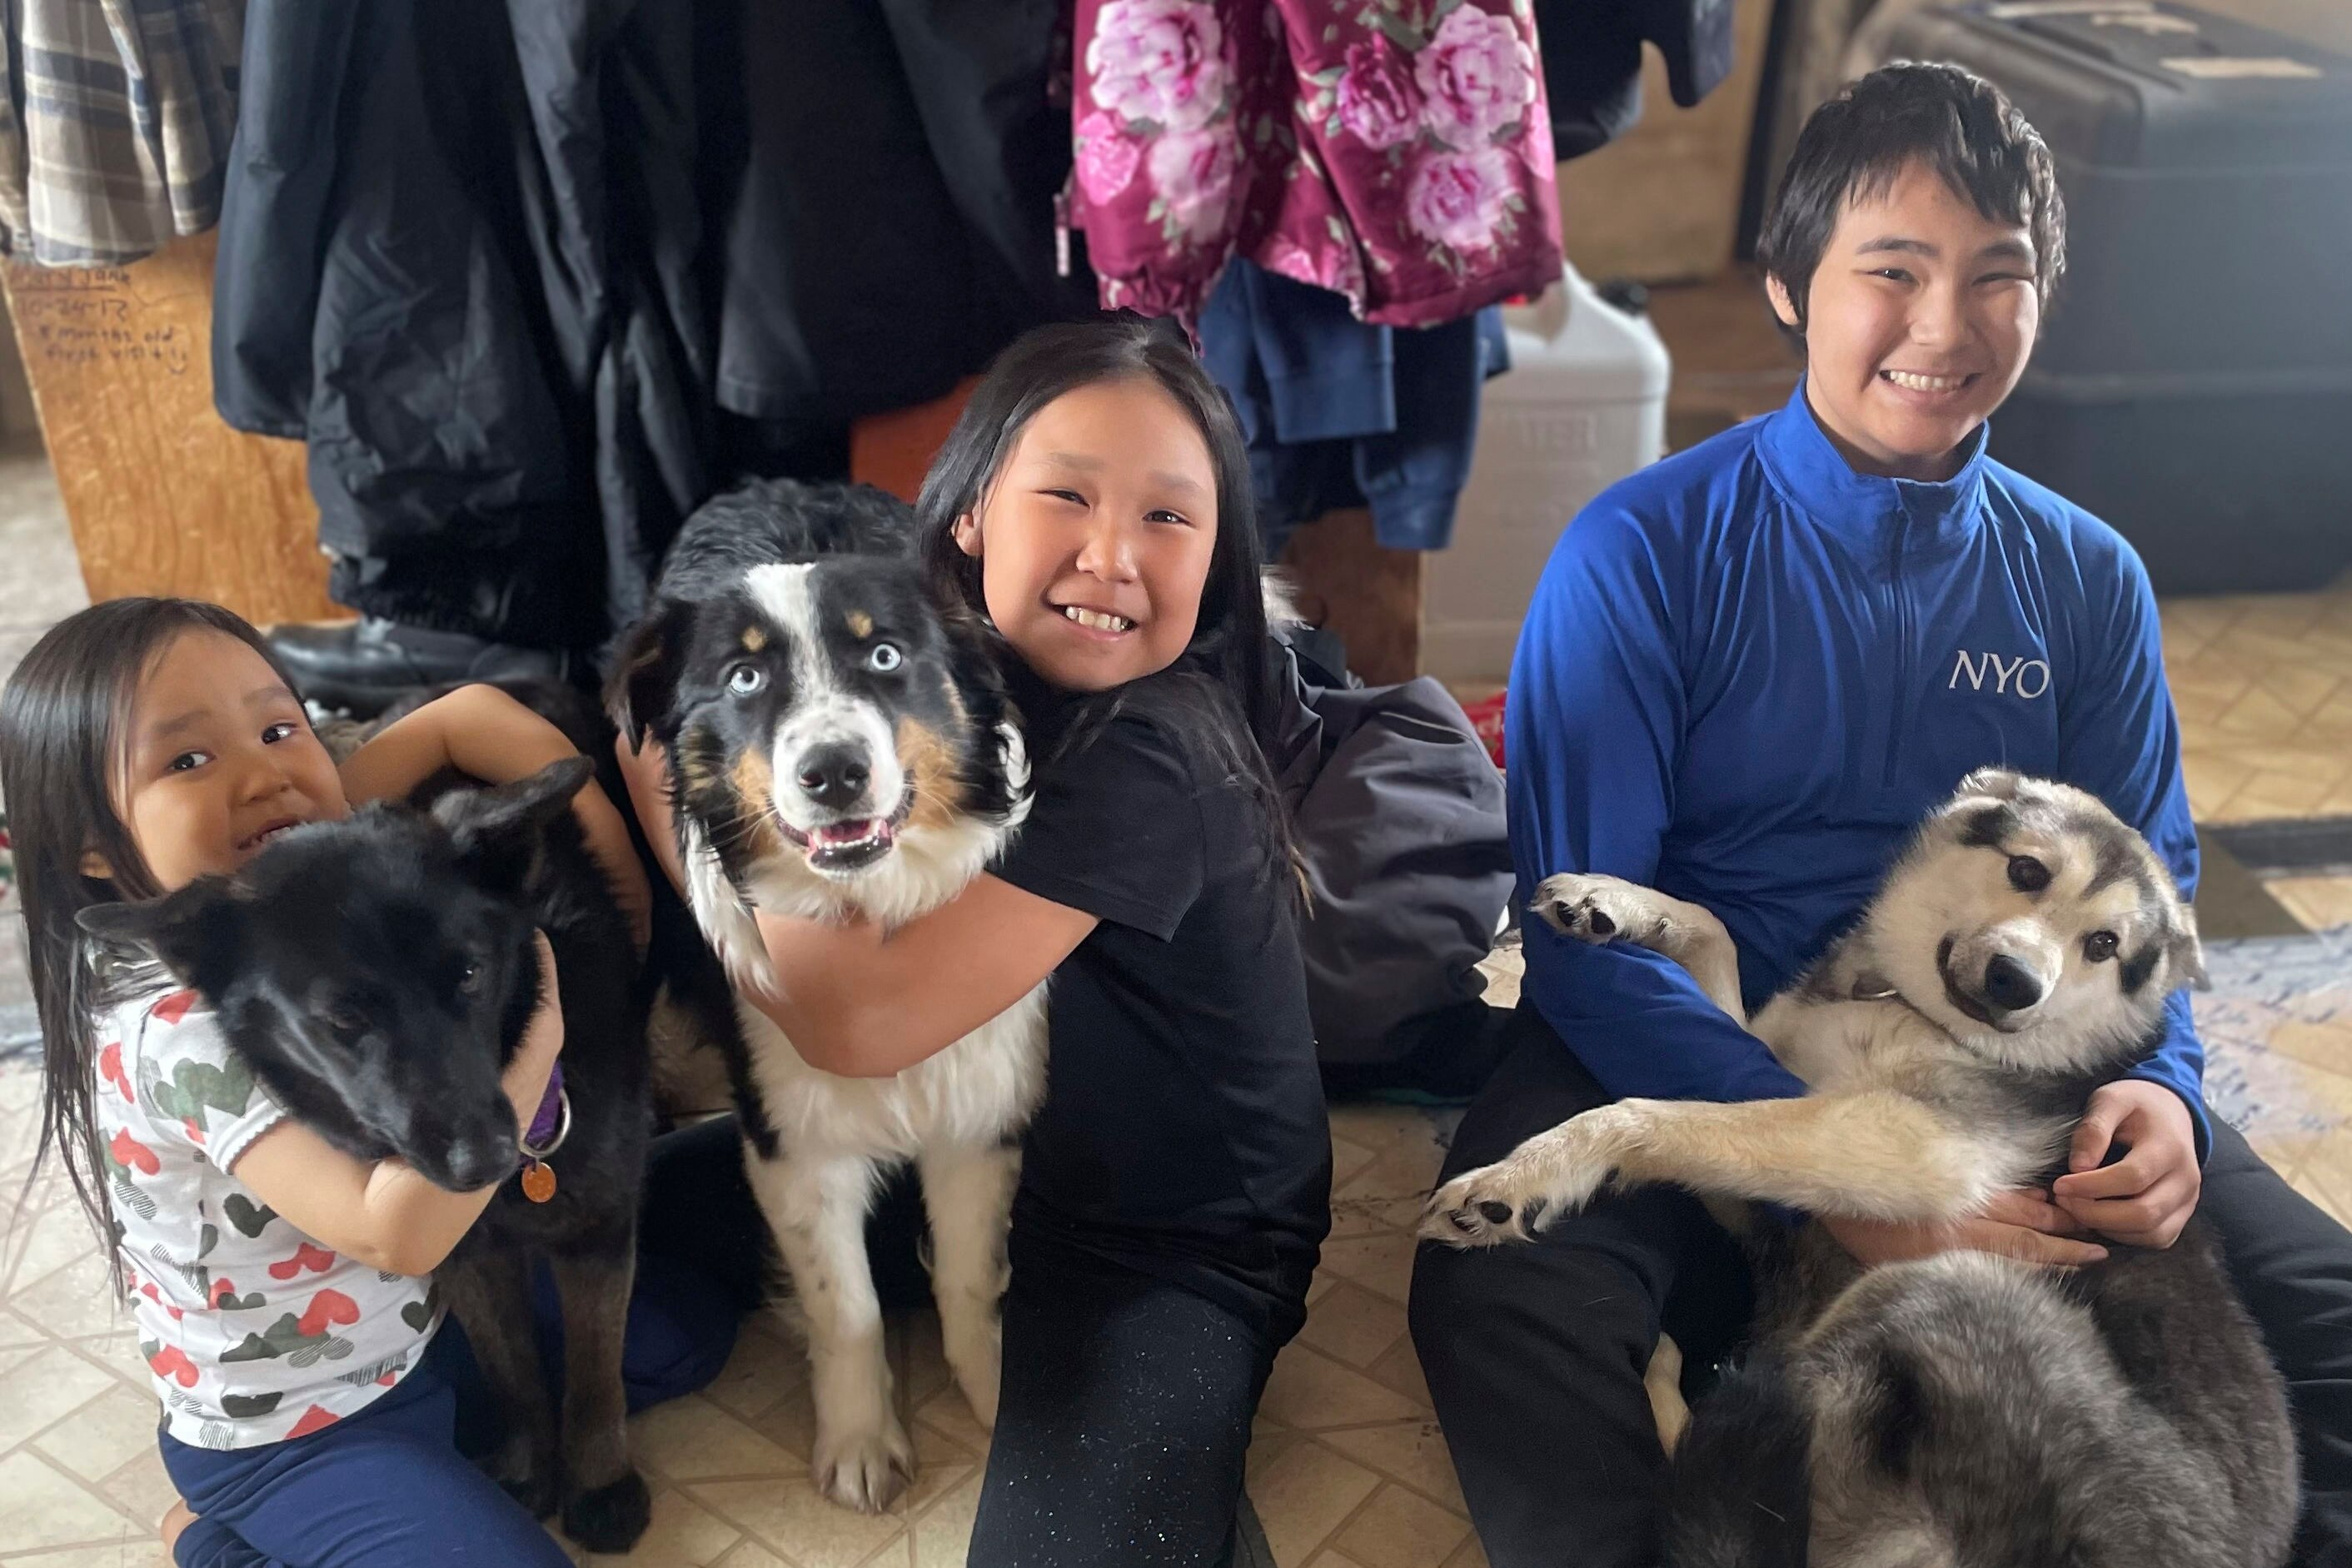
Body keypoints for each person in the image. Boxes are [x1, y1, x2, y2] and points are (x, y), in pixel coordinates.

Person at [1409, 62, 2352, 1567]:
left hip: (1998, 1066)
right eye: (1891, 272)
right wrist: (1839, 1188)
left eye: (1996, 278)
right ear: (1787, 284)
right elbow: (1586, 935)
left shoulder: (2083, 577)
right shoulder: (1637, 553)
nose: (1942, 328)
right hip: (1684, 1029)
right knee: (1498, 1297)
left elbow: (2149, 882)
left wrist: (2163, 1088)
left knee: (2324, 1310)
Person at [618, 316, 1332, 1567]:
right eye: (1067, 494)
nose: (1111, 555)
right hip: (995, 1144)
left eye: (1171, 518)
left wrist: (679, 803)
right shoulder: (959, 672)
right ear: (967, 517)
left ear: (1219, 561)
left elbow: (853, 1018)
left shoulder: (1150, 750)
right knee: (608, 1234)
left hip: (1162, 1237)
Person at [0, 598, 726, 1567]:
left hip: (415, 1343)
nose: (262, 775)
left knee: (681, 1339)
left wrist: (576, 805)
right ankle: (227, 1542)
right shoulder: (190, 1029)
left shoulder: (290, 868)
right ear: (91, 847)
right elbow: (403, 1227)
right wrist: (539, 1028)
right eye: (186, 759)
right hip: (297, 1429)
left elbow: (419, 746)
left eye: (277, 726)